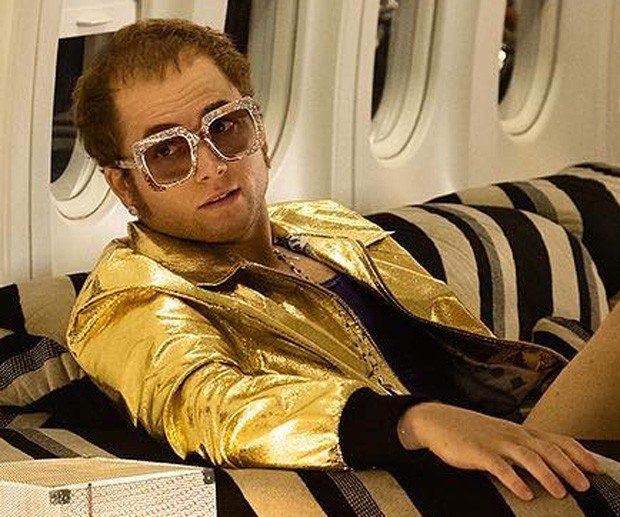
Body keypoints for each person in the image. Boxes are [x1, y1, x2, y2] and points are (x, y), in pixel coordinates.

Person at [67, 19, 619, 503]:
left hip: (514, 435)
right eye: (167, 152)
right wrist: (414, 422)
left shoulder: (327, 224)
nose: (211, 165)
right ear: (123, 185)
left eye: (225, 126)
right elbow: (210, 406)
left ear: (260, 132)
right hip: (438, 484)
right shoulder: (129, 296)